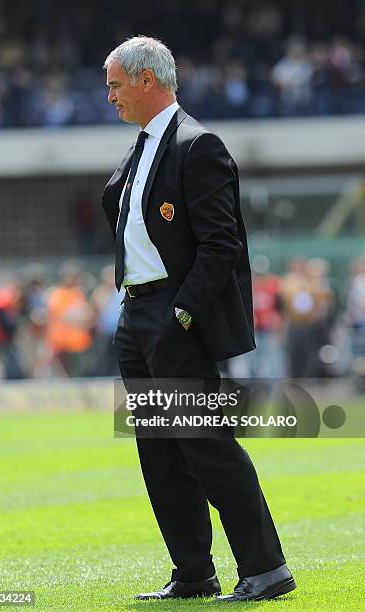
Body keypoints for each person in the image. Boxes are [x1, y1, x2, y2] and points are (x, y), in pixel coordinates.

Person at [102, 36, 296, 603]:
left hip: (172, 312)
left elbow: (223, 243)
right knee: (159, 454)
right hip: (137, 313)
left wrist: (183, 313)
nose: (109, 96)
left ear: (146, 80)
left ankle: (266, 569)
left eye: (115, 84)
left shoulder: (197, 144)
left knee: (206, 445)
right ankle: (192, 573)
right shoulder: (140, 147)